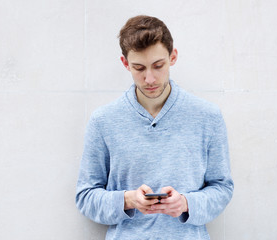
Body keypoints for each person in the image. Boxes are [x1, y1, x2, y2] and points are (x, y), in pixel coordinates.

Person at [76, 15, 234, 240]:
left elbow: (222, 188)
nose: (149, 78)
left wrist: (185, 204)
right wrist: (129, 200)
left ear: (173, 57)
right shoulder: (103, 121)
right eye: (139, 68)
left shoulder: (208, 116)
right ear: (125, 63)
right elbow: (85, 197)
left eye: (158, 66)